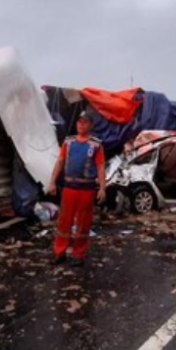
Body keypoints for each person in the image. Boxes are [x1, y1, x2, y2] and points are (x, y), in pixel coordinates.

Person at [48, 111, 106, 267]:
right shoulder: (68, 142)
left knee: (83, 223)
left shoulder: (96, 145)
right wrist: (52, 182)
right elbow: (60, 162)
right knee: (64, 222)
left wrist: (102, 188)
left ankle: (78, 255)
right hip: (69, 188)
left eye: (85, 122)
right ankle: (59, 253)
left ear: (91, 125)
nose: (81, 125)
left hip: (86, 189)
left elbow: (100, 167)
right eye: (79, 122)